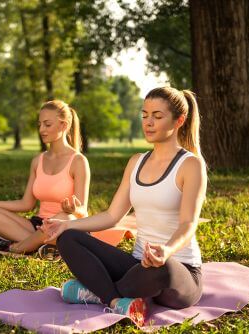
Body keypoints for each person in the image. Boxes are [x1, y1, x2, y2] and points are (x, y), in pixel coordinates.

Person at [40, 87, 206, 326]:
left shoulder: (190, 165)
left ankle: (97, 291)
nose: (148, 122)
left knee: (163, 269)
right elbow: (112, 215)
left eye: (157, 116)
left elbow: (188, 224)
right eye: (145, 115)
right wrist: (67, 225)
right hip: (137, 266)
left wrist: (166, 251)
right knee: (69, 238)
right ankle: (116, 300)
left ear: (179, 120)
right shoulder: (136, 162)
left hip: (178, 271)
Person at [0, 100, 90, 256]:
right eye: (40, 125)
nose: (41, 129)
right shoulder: (38, 161)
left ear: (64, 125)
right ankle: (41, 246)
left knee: (64, 216)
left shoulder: (78, 161)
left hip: (66, 226)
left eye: (47, 125)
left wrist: (75, 209)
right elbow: (26, 203)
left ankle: (15, 248)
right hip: (38, 226)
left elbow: (82, 211)